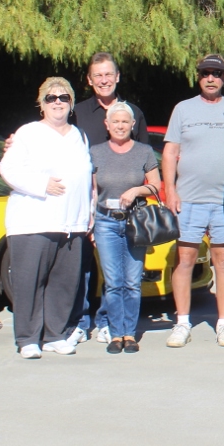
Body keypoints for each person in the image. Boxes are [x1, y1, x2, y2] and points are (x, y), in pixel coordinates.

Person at [0, 78, 93, 358]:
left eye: (64, 97)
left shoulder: (80, 136)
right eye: (51, 98)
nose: (57, 103)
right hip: (33, 222)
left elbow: (87, 179)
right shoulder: (27, 133)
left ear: (71, 103)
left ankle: (55, 335)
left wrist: (88, 217)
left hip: (71, 224)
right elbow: (8, 168)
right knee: (30, 283)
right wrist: (42, 185)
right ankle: (27, 338)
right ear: (41, 103)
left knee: (63, 283)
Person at [70, 52, 148, 345]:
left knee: (117, 277)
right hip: (92, 204)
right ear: (90, 80)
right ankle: (81, 321)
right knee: (86, 268)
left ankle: (108, 322)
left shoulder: (134, 113)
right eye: (97, 76)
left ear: (117, 77)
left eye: (108, 75)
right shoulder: (77, 112)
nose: (104, 80)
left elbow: (140, 159)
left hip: (127, 213)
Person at [161, 55, 224, 349]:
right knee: (185, 260)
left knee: (223, 260)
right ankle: (182, 322)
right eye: (206, 73)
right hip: (189, 199)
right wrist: (170, 190)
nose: (211, 78)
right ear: (198, 77)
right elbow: (170, 152)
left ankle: (223, 323)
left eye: (217, 74)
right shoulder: (183, 109)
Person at [91, 102, 161, 354]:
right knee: (113, 281)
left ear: (132, 125)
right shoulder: (95, 152)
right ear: (107, 125)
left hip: (135, 222)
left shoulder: (143, 151)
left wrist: (136, 190)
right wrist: (90, 223)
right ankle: (115, 333)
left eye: (125, 122)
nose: (120, 126)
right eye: (115, 122)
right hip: (105, 222)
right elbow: (91, 191)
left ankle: (129, 334)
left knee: (132, 281)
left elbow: (155, 184)